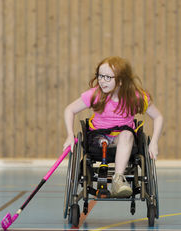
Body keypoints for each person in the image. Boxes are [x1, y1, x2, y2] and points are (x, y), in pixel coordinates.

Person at [63, 56, 163, 197]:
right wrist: (69, 135)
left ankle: (118, 179)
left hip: (123, 140)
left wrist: (154, 142)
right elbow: (70, 109)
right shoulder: (95, 94)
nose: (102, 81)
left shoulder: (136, 97)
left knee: (127, 134)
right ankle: (114, 177)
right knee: (104, 139)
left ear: (121, 80)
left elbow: (158, 117)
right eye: (100, 76)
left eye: (107, 77)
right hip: (98, 139)